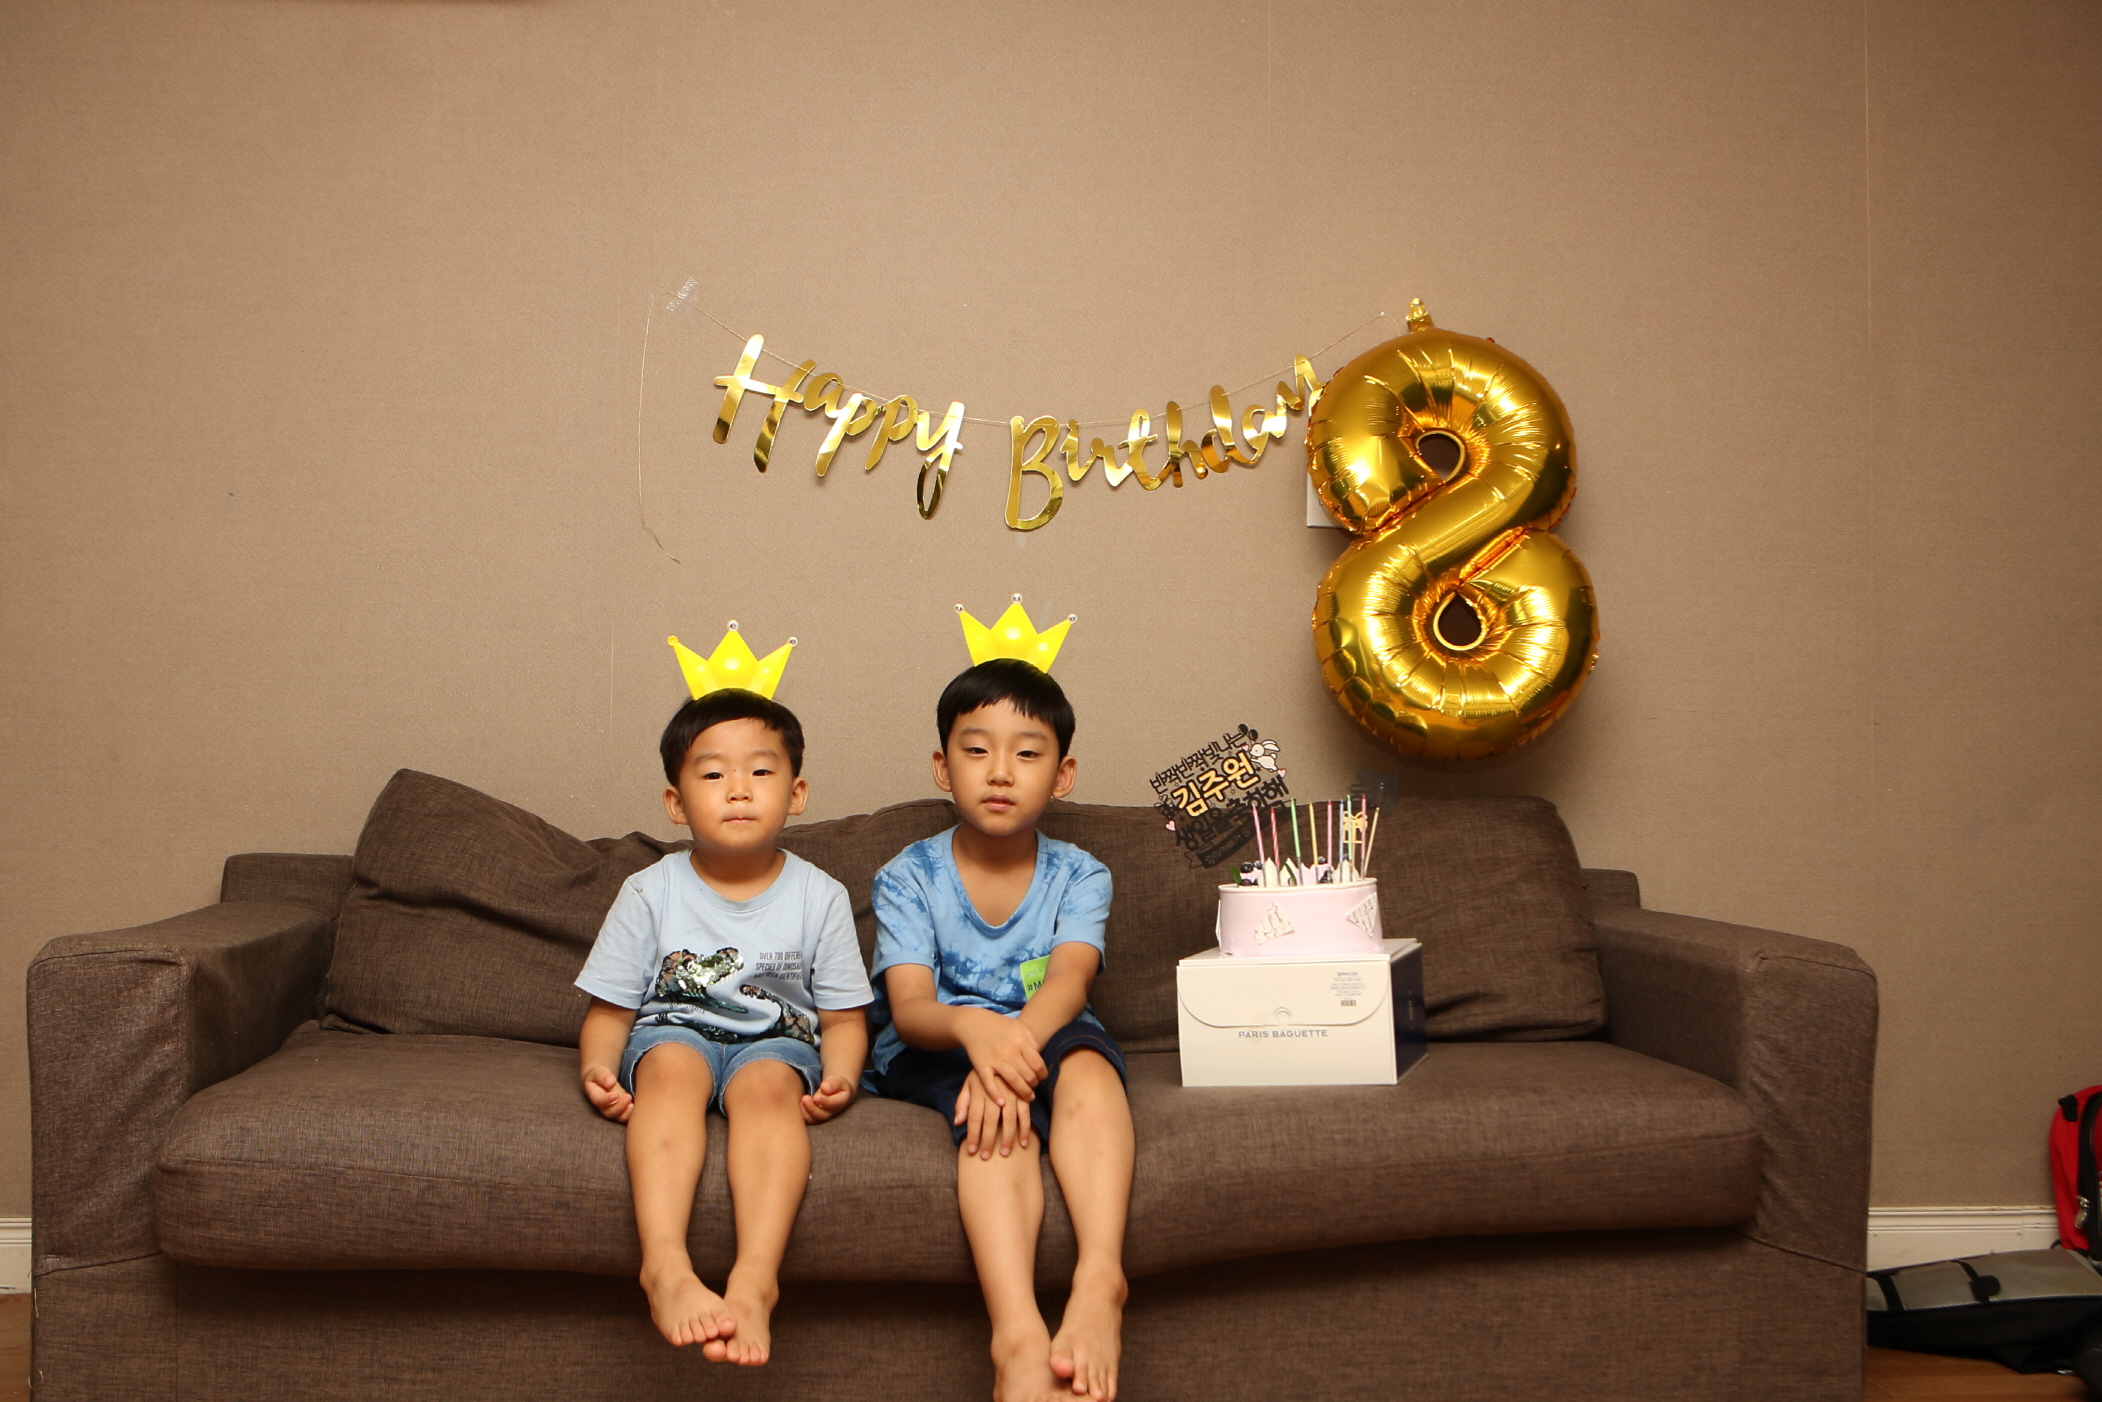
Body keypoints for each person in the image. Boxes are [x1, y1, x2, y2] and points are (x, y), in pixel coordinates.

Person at [576, 688, 871, 1363]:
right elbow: (610, 1010)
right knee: (670, 1069)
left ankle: (755, 1281)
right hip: (672, 1034)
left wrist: (842, 1077)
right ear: (675, 803)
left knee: (770, 1091)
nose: (738, 789)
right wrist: (597, 1067)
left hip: (776, 1045)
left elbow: (844, 1019)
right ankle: (665, 1268)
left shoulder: (820, 896)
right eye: (712, 774)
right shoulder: (649, 890)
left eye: (760, 771)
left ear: (796, 793)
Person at [868, 657, 1133, 1402]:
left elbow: (1070, 980)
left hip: (1044, 1029)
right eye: (977, 749)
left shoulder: (1080, 874)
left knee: (1090, 1071)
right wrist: (978, 1039)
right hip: (940, 1040)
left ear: (1063, 774)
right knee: (995, 1121)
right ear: (942, 767)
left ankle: (1101, 1281)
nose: (1000, 771)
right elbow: (911, 1006)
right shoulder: (908, 876)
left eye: (1027, 753)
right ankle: (1016, 1334)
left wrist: (1010, 1050)